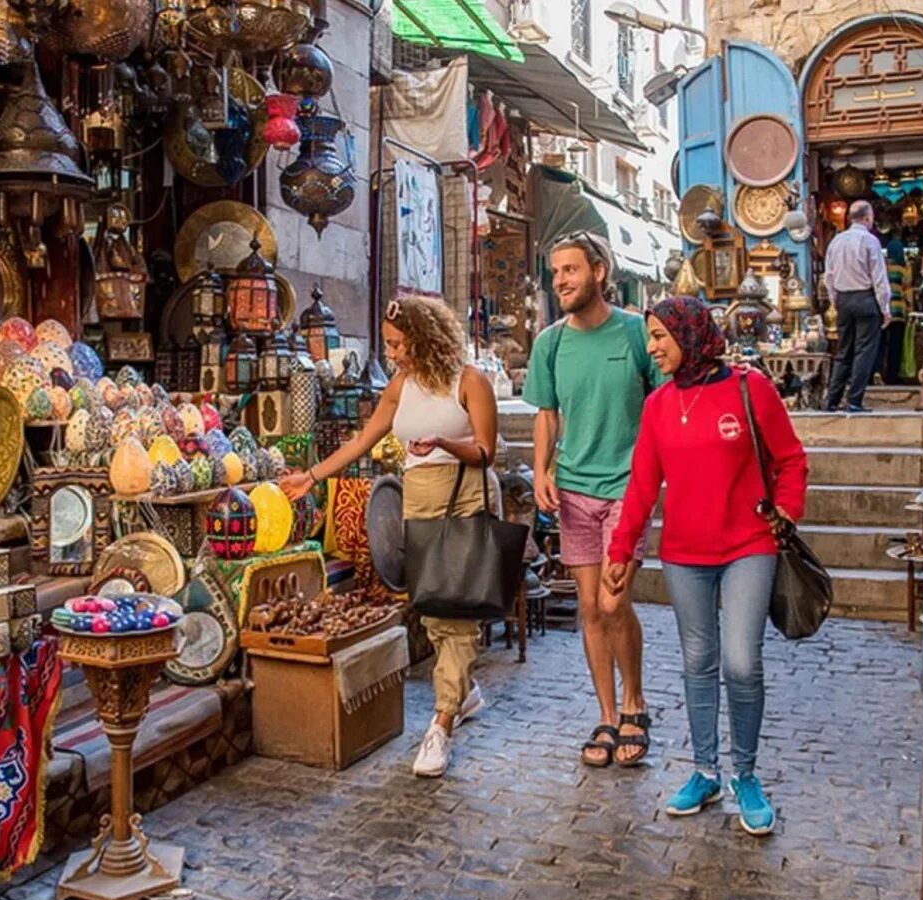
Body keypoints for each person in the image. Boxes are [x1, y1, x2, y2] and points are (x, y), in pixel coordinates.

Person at [602, 297, 808, 836]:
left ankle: (746, 773)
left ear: (689, 335)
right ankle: (705, 770)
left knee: (741, 662)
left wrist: (787, 509)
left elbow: (790, 458)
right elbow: (642, 483)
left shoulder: (749, 389)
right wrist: (621, 551)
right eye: (649, 337)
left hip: (748, 545)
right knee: (699, 662)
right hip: (684, 554)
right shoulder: (658, 405)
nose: (651, 348)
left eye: (660, 337)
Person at [280, 296, 495, 779]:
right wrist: (312, 477)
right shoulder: (400, 386)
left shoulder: (470, 381)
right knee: (432, 608)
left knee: (455, 611)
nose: (393, 354)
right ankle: (464, 689)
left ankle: (441, 724)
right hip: (417, 501)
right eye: (390, 345)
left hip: (464, 497)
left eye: (399, 345)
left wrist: (442, 443)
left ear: (424, 339)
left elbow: (485, 451)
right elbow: (363, 439)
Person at [525, 231, 663, 769]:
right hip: (574, 491)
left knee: (613, 602)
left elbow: (660, 401)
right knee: (587, 607)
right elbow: (546, 413)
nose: (560, 280)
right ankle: (609, 715)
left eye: (570, 270)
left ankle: (636, 702)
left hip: (627, 488)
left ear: (599, 272)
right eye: (555, 272)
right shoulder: (550, 342)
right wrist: (541, 470)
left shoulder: (634, 333)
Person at [822, 200, 890, 412]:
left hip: (844, 299)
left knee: (843, 351)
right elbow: (879, 277)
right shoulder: (870, 241)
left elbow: (829, 277)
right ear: (867, 218)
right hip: (865, 299)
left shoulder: (836, 242)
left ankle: (831, 400)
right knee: (864, 350)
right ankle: (854, 400)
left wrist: (836, 301)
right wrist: (885, 308)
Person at [884, 237, 912, 385]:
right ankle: (892, 376)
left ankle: (876, 373)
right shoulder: (905, 268)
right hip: (899, 311)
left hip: (883, 311)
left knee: (880, 344)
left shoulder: (882, 266)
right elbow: (907, 292)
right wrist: (910, 309)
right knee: (896, 346)